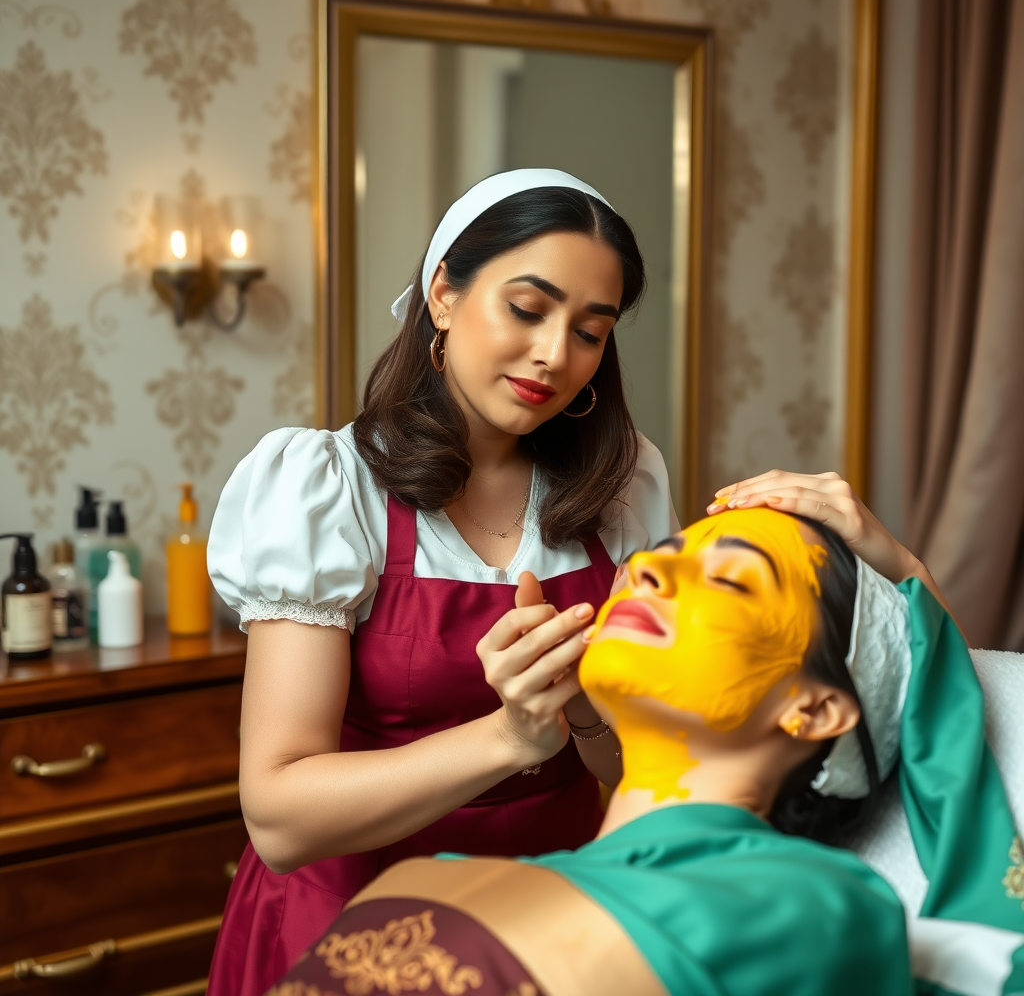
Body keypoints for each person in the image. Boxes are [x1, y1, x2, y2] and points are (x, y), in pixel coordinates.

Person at [205, 170, 679, 995]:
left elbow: (650, 771)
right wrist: (510, 738)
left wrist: (581, 711)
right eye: (527, 309)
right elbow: (279, 817)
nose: (554, 355)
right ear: (444, 295)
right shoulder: (326, 487)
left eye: (590, 332)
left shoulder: (626, 486)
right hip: (355, 932)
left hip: (558, 926)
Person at [265, 503, 1023, 996]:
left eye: (730, 580)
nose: (653, 568)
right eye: (664, 554)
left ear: (815, 708)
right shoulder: (436, 882)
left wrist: (900, 570)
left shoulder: (813, 907)